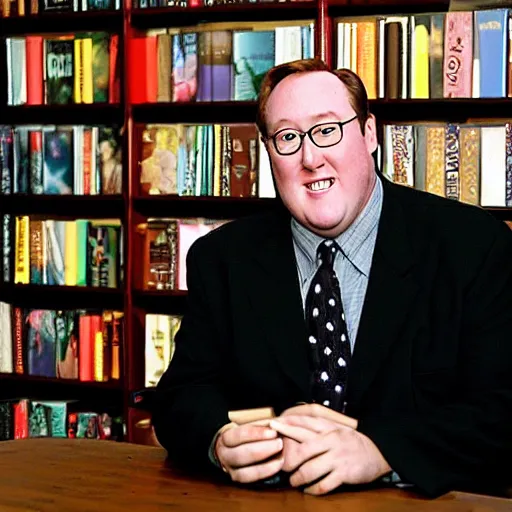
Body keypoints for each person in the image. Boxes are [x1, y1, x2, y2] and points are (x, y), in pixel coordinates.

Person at [152, 58, 512, 498]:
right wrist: (218, 441)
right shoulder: (222, 258)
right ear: (269, 152)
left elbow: (499, 412)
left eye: (326, 130)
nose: (310, 157)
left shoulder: (473, 248)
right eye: (287, 138)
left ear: (369, 134)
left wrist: (382, 452)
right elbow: (181, 397)